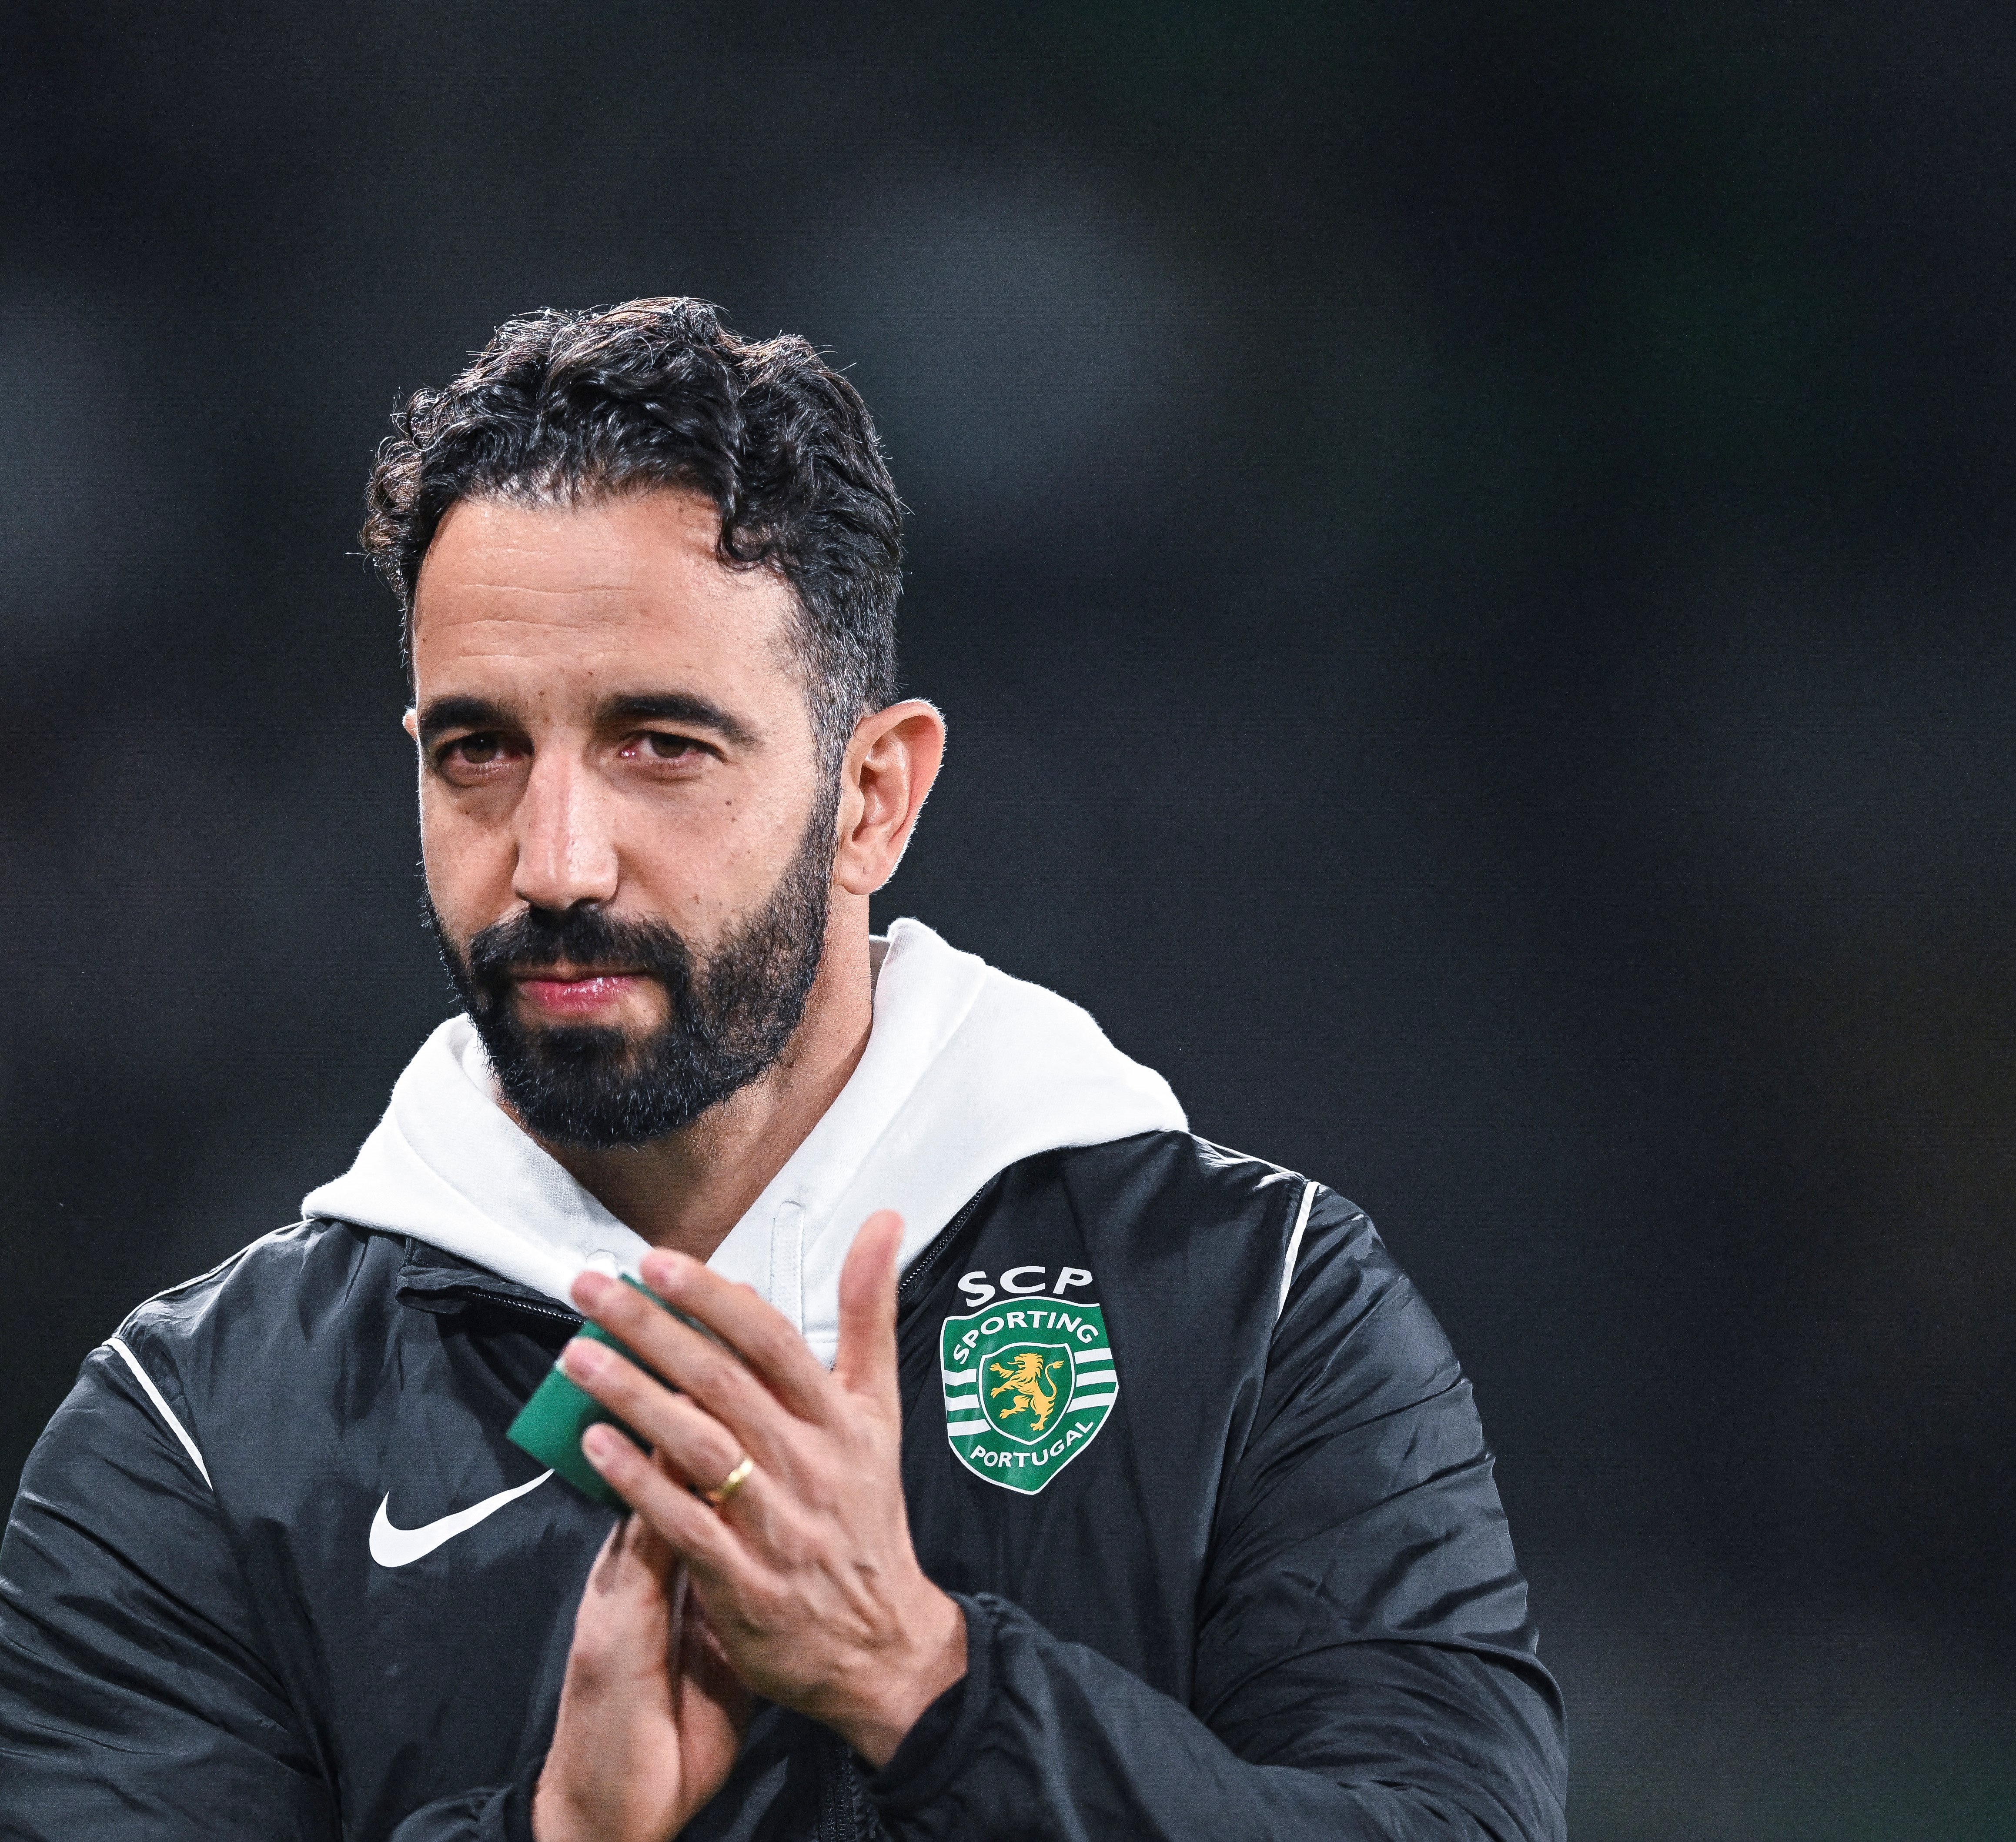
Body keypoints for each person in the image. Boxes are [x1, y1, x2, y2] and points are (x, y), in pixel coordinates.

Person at [0, 298, 1564, 1842]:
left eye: (659, 745)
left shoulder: (1253, 1304)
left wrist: (930, 1685)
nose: (554, 860)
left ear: (873, 798)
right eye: (476, 750)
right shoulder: (199, 1437)